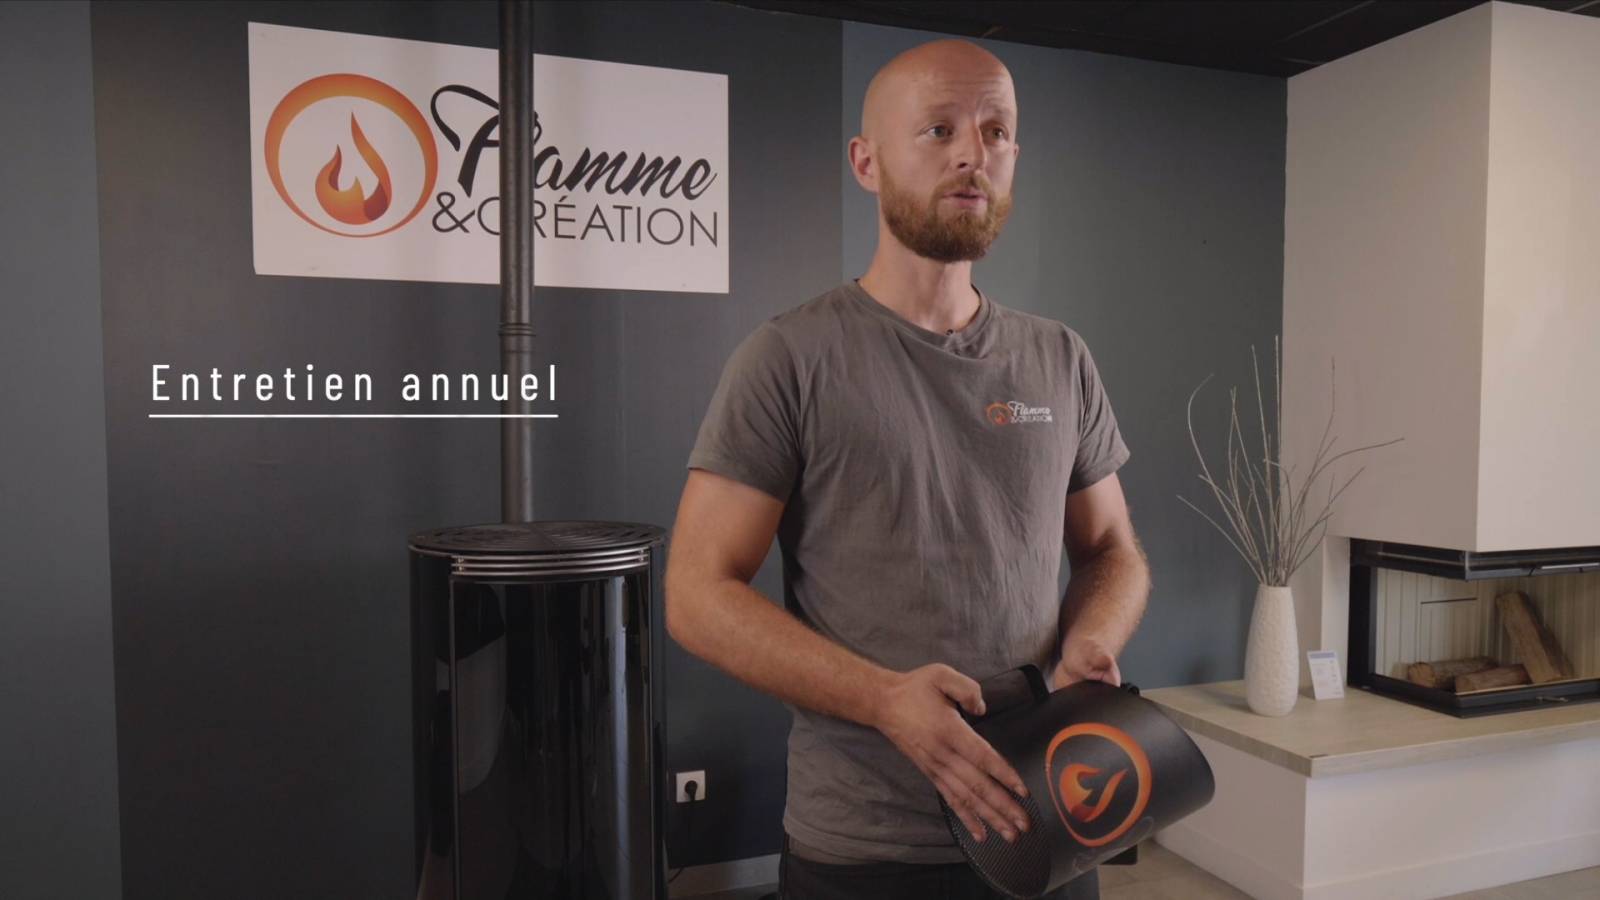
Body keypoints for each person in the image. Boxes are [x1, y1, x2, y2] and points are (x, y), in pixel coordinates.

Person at [665, 37, 1151, 900]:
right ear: (867, 162)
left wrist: (1092, 641)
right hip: (867, 846)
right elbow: (696, 595)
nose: (973, 153)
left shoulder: (1059, 357)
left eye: (996, 132)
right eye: (938, 129)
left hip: (1048, 819)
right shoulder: (790, 358)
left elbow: (1112, 548)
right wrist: (884, 699)